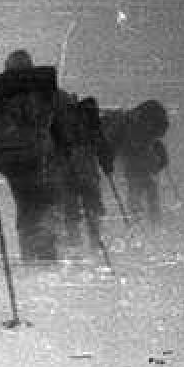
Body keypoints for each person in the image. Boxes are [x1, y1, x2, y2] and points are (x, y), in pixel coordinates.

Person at [0, 50, 68, 261]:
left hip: (8, 157)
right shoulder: (44, 90)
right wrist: (63, 150)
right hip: (39, 154)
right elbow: (59, 122)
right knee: (43, 201)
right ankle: (45, 249)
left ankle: (30, 251)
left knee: (25, 202)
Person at [57, 93, 113, 258]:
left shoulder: (56, 119)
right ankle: (96, 242)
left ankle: (74, 243)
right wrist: (106, 164)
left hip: (65, 168)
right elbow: (101, 142)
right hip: (87, 166)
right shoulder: (88, 118)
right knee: (92, 203)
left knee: (70, 207)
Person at [100, 99, 170, 226]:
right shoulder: (135, 126)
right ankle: (146, 221)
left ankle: (142, 221)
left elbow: (155, 144)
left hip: (136, 160)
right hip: (136, 159)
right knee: (142, 187)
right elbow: (113, 143)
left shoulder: (139, 125)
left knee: (142, 188)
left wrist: (107, 159)